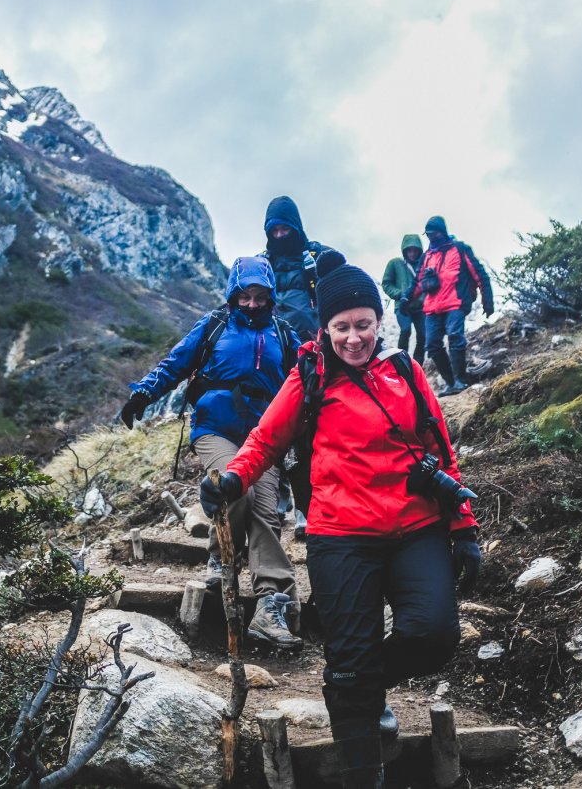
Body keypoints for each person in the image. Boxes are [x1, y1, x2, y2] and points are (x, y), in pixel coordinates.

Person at [200, 250, 482, 789]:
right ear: (325, 328)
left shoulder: (405, 370)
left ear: (379, 320)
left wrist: (463, 527)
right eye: (342, 327)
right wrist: (233, 480)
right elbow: (264, 440)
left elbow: (440, 451)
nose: (354, 338)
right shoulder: (309, 375)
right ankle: (361, 761)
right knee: (349, 660)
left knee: (434, 635)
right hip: (341, 534)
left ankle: (358, 688)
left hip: (416, 527)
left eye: (363, 324)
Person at [120, 256, 302, 649]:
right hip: (215, 428)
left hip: (263, 436)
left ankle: (271, 603)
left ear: (271, 297)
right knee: (235, 487)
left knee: (266, 512)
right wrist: (143, 393)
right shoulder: (215, 324)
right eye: (245, 296)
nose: (252, 303)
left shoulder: (284, 335)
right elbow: (176, 363)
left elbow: (310, 378)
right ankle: (221, 557)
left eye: (260, 297)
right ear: (233, 295)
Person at [261, 195, 331, 541]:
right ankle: (280, 498)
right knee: (274, 426)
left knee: (309, 430)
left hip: (312, 354)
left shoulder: (316, 257)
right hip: (273, 356)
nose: (279, 235)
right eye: (273, 229)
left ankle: (306, 506)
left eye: (284, 228)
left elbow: (341, 290)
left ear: (296, 226)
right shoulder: (261, 264)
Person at [413, 215, 495, 397]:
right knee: (432, 344)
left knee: (455, 336)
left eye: (434, 233)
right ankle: (450, 383)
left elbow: (479, 274)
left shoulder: (460, 249)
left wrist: (487, 300)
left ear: (442, 232)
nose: (431, 237)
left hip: (456, 302)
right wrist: (406, 299)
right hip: (432, 307)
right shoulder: (426, 256)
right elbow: (417, 282)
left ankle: (460, 380)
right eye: (428, 234)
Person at [381, 233, 425, 364]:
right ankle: (402, 363)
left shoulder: (424, 265)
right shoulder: (395, 263)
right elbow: (386, 283)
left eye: (415, 250)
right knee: (406, 330)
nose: (412, 253)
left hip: (420, 306)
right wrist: (400, 294)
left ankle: (417, 365)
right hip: (402, 306)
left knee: (423, 335)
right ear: (404, 250)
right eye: (409, 250)